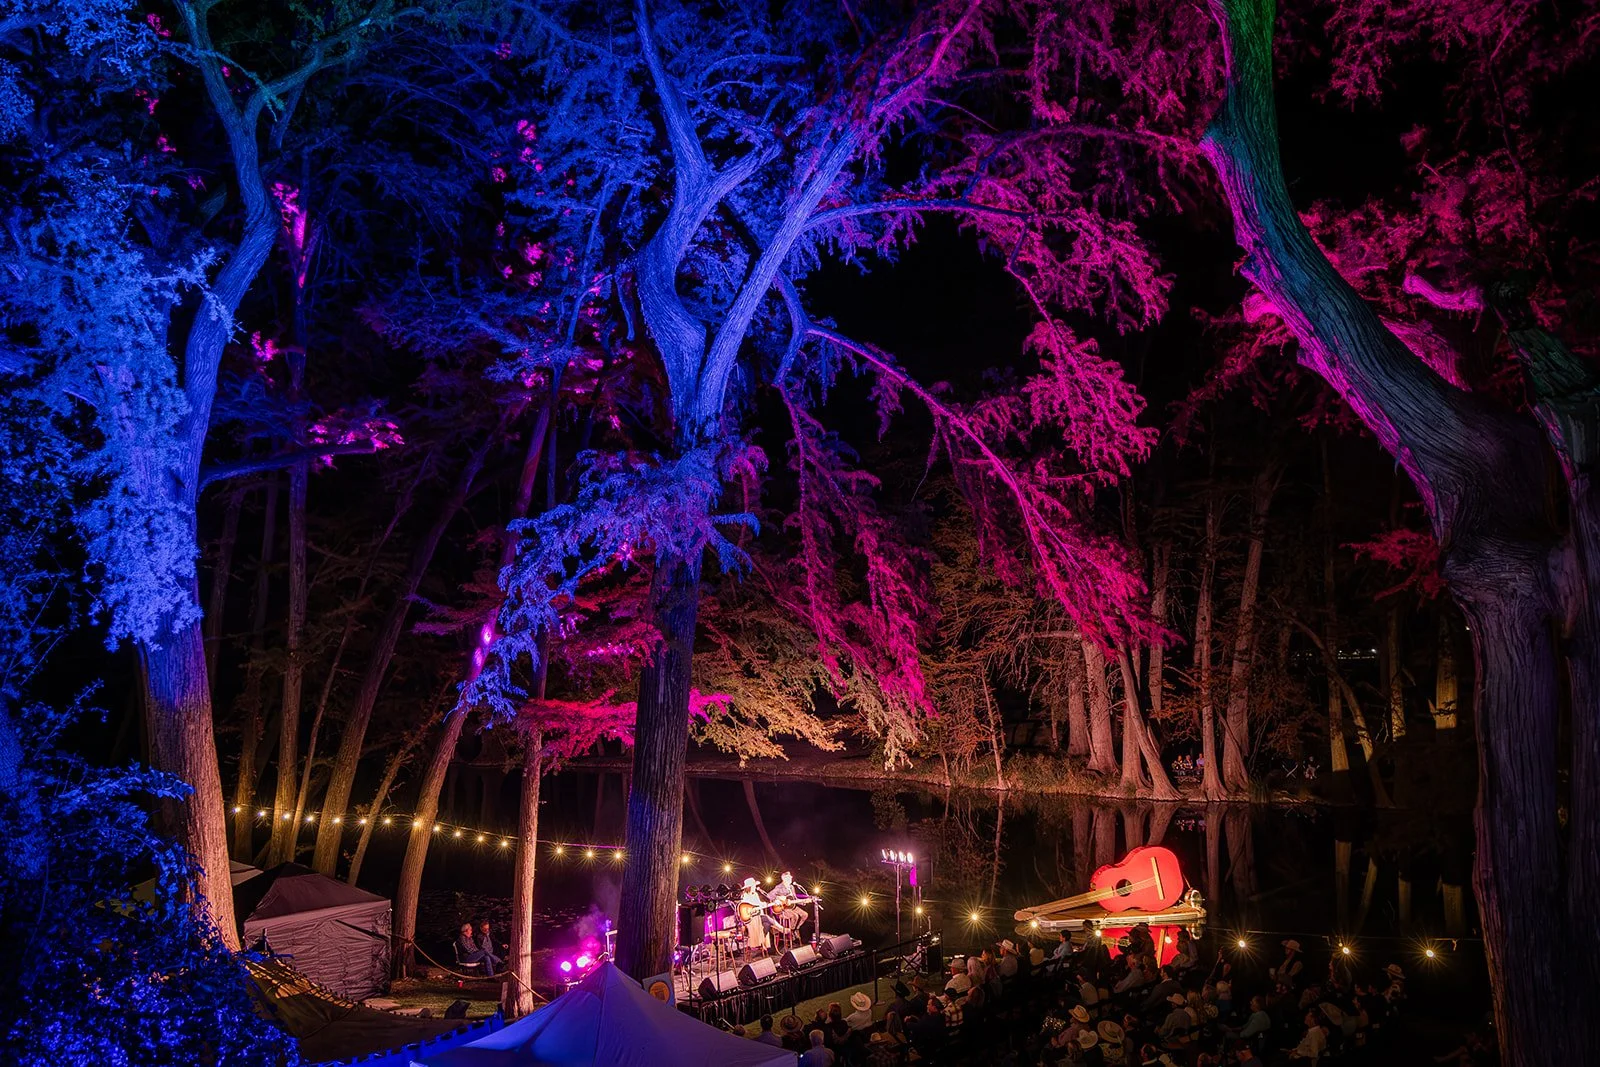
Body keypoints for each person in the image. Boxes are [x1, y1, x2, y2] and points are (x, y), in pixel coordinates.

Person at [739, 877, 770, 955]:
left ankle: (761, 942)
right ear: (749, 887)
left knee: (767, 924)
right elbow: (745, 908)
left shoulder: (755, 894)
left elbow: (759, 904)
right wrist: (755, 908)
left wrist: (764, 904)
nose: (755, 887)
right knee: (767, 919)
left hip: (758, 915)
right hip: (750, 918)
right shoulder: (744, 896)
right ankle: (780, 928)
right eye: (754, 886)